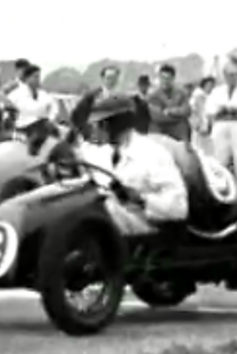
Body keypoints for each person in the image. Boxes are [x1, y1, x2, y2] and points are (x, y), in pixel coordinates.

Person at [79, 94, 188, 235]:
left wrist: (141, 200)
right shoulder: (97, 153)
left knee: (105, 210)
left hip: (143, 230)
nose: (94, 131)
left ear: (111, 124)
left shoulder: (152, 153)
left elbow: (179, 208)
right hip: (108, 231)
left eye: (98, 125)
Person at [7, 64, 59, 141]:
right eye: (35, 77)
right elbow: (7, 110)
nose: (38, 80)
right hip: (24, 127)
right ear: (27, 79)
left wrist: (51, 118)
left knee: (52, 128)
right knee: (44, 127)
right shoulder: (15, 95)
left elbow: (54, 108)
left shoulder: (44, 95)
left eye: (39, 77)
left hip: (42, 125)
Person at [71, 65, 123, 138]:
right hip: (94, 140)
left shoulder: (121, 99)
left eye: (115, 78)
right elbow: (76, 117)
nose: (112, 81)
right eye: (109, 78)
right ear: (102, 79)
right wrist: (87, 134)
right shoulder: (91, 96)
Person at [147, 64, 191, 142]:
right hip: (159, 132)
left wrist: (170, 111)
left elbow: (187, 110)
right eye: (163, 78)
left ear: (173, 78)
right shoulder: (153, 95)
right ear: (159, 78)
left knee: (184, 128)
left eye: (168, 78)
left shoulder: (181, 93)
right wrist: (179, 116)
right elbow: (158, 117)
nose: (165, 81)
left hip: (178, 132)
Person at [189, 76, 218, 155]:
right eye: (209, 85)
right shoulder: (199, 96)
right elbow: (200, 112)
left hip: (205, 127)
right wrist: (202, 126)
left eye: (212, 86)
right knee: (201, 150)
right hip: (200, 127)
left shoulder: (208, 97)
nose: (210, 88)